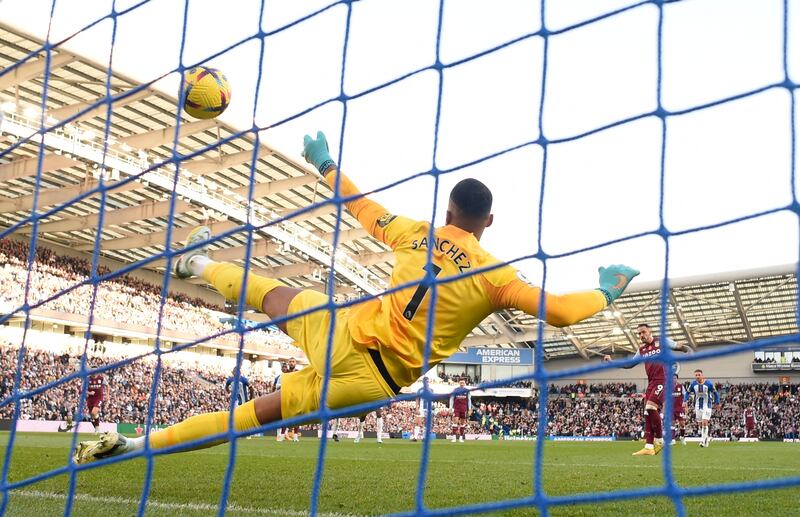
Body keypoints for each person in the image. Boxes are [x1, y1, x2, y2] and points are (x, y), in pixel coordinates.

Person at [73, 131, 639, 464]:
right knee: (250, 416)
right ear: (489, 221)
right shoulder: (497, 277)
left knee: (275, 296)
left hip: (340, 331)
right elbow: (563, 312)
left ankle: (197, 263)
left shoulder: (414, 231)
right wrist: (606, 290)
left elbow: (359, 203)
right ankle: (138, 446)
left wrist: (324, 163)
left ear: (448, 212)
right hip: (372, 382)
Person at [604, 323, 690, 456]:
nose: (641, 335)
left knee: (651, 407)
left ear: (650, 331)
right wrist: (612, 362)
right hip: (652, 383)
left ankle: (660, 439)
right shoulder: (642, 350)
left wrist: (687, 350)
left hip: (665, 380)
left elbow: (678, 346)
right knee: (646, 413)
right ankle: (649, 446)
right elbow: (629, 364)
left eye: (643, 332)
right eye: (639, 333)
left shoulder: (661, 341)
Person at [685, 369, 719, 447]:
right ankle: (706, 439)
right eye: (696, 375)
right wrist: (685, 401)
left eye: (699, 375)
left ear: (702, 375)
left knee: (704, 422)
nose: (697, 376)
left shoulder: (708, 383)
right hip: (697, 406)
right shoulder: (693, 384)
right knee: (700, 425)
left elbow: (715, 393)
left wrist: (717, 403)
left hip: (707, 406)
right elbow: (687, 392)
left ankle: (703, 441)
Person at [225, 372, 254, 438]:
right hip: (234, 401)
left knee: (245, 417)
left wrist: (250, 398)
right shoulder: (230, 380)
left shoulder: (244, 379)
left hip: (243, 400)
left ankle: (248, 433)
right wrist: (229, 393)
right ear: (233, 372)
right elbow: (226, 386)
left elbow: (251, 389)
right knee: (235, 417)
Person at [669, 373, 687, 446]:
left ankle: (682, 437)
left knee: (682, 424)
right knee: (672, 423)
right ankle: (672, 439)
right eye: (672, 378)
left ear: (677, 379)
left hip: (679, 408)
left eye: (675, 378)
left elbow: (685, 396)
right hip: (671, 409)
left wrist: (685, 406)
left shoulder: (681, 386)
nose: (674, 379)